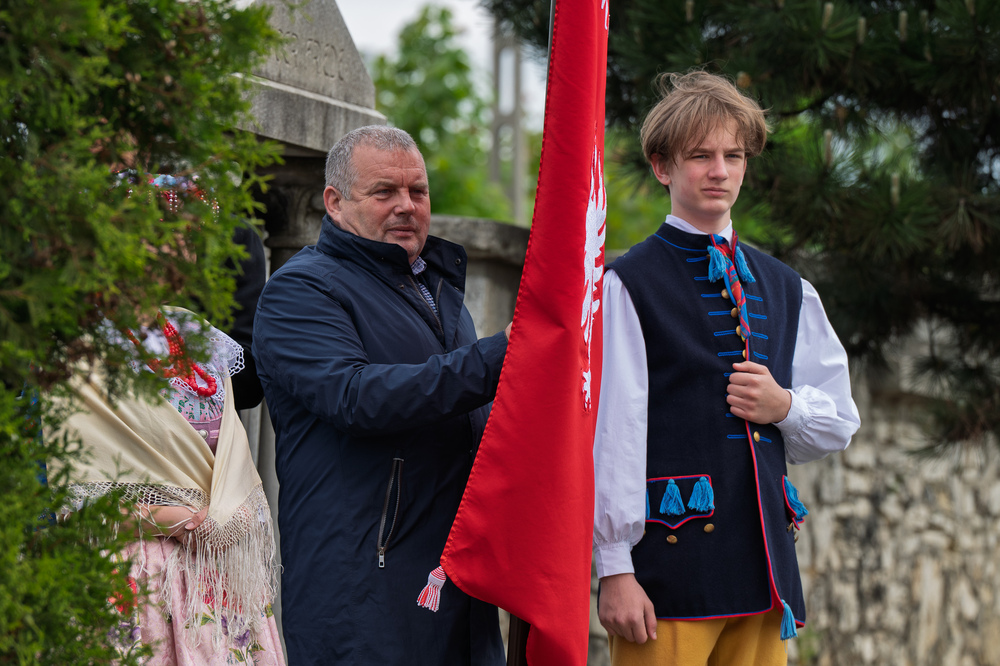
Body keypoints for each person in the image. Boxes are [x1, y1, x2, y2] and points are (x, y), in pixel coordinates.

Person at [593, 71, 861, 666]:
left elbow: (840, 420)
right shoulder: (628, 284)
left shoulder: (790, 288)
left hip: (765, 574)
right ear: (662, 167)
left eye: (732, 155)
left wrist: (784, 408)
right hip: (669, 574)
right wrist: (614, 569)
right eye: (700, 156)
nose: (719, 170)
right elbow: (614, 432)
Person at [252, 126, 510, 664]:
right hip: (364, 594)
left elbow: (467, 416)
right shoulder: (300, 290)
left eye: (417, 191)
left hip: (456, 586)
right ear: (334, 201)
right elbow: (356, 397)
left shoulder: (438, 292)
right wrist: (503, 355)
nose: (406, 207)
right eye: (384, 192)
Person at [57, 306, 284, 665]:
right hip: (136, 575)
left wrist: (235, 512)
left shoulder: (194, 333)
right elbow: (70, 505)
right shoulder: (79, 346)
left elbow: (232, 461)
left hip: (214, 570)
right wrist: (171, 518)